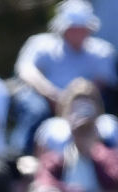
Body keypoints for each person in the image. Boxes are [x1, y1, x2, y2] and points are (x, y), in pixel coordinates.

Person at [10, 0, 117, 155]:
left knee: (105, 123)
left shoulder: (102, 51)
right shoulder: (40, 44)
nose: (78, 32)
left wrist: (72, 102)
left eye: (81, 28)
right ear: (62, 28)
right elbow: (26, 71)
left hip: (86, 104)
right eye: (73, 28)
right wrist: (51, 94)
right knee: (34, 110)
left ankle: (109, 160)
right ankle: (21, 157)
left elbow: (100, 84)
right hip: (46, 101)